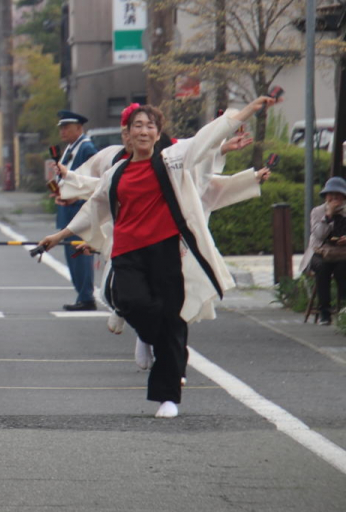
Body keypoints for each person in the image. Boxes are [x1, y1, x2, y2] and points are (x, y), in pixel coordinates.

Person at [37, 95, 278, 418]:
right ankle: (163, 342)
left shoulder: (173, 159)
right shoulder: (117, 171)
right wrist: (60, 236)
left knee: (172, 317)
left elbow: (206, 138)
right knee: (130, 301)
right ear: (128, 132)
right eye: (137, 126)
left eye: (150, 126)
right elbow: (95, 206)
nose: (144, 131)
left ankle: (168, 398)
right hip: (127, 252)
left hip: (167, 252)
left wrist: (246, 111)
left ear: (158, 132)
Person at [50, 111, 99, 311]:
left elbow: (95, 181)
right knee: (72, 257)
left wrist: (76, 197)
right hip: (68, 209)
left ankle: (86, 296)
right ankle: (82, 294)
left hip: (80, 209)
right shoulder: (70, 148)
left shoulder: (86, 148)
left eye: (66, 127)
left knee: (80, 256)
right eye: (61, 127)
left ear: (79, 128)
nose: (62, 131)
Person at [298, 177, 346, 325]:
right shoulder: (317, 212)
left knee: (342, 269)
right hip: (320, 252)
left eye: (337, 194)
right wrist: (329, 215)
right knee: (322, 268)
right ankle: (324, 311)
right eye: (330, 194)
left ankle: (344, 309)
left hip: (342, 253)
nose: (333, 198)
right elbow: (318, 234)